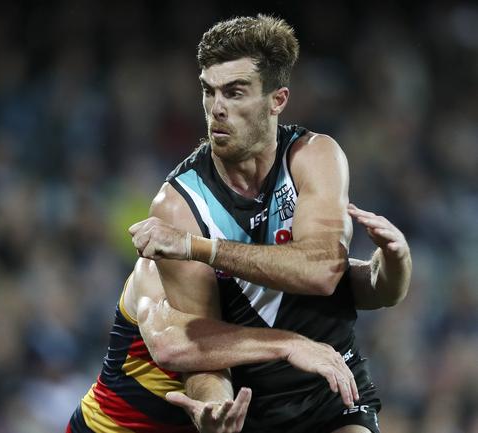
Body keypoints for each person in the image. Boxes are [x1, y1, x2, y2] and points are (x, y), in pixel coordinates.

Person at [127, 14, 412, 433]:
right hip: (252, 407)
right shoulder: (178, 205)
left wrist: (200, 249)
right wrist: (214, 408)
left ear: (277, 100)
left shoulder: (314, 157)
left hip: (332, 389)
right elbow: (200, 348)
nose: (217, 108)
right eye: (209, 92)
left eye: (234, 92)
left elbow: (324, 273)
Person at [67, 206, 409, 433]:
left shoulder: (270, 260)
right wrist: (289, 345)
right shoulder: (166, 263)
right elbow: (171, 344)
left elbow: (367, 287)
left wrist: (394, 259)